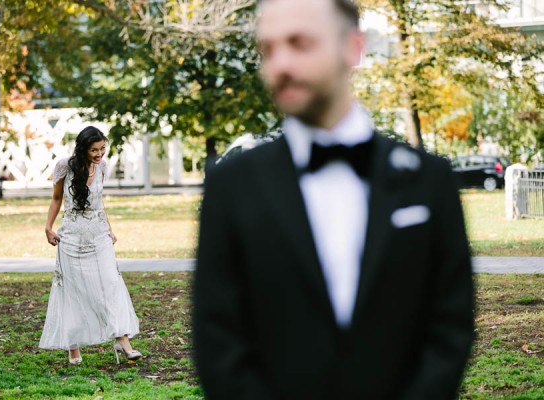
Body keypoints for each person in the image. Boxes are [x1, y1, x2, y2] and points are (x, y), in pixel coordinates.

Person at [192, 0, 475, 399]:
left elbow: (450, 327)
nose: (279, 66)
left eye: (299, 43)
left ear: (353, 47)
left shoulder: (429, 182)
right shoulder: (231, 186)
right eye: (267, 49)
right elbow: (217, 340)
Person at [39, 126, 141, 365]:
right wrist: (48, 227)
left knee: (110, 284)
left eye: (103, 148)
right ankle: (73, 348)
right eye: (94, 150)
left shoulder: (103, 167)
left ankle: (122, 339)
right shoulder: (65, 166)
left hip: (98, 235)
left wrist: (109, 228)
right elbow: (56, 199)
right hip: (71, 236)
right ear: (83, 148)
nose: (99, 154)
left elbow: (99, 202)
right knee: (72, 291)